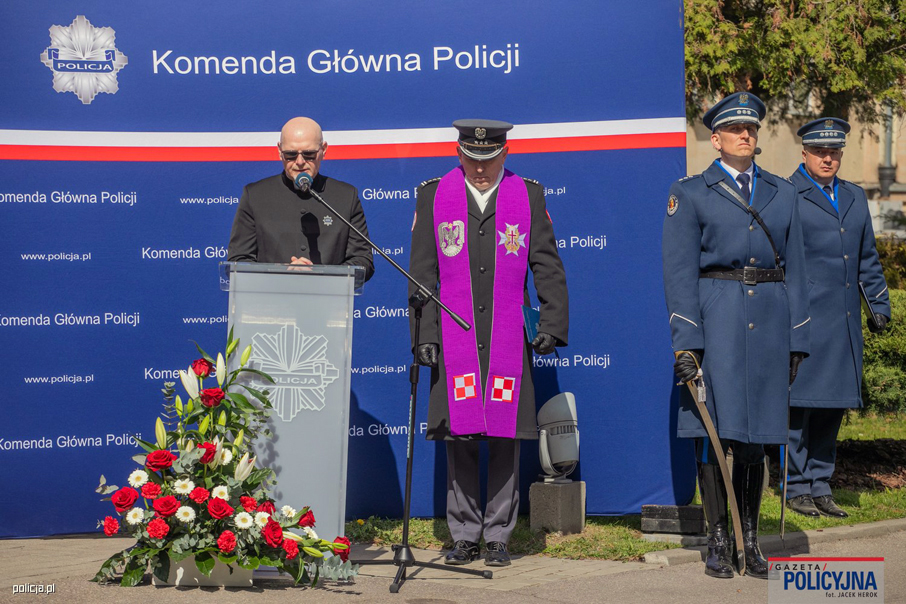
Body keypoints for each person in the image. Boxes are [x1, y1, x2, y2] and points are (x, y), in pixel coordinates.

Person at [662, 92, 810, 579]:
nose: (745, 134)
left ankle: (751, 539)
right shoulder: (690, 192)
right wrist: (687, 341)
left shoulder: (782, 193)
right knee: (713, 433)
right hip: (717, 320)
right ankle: (719, 539)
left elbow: (798, 269)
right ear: (716, 139)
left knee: (755, 438)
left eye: (751, 128)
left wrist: (798, 338)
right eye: (735, 129)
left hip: (769, 323)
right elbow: (679, 272)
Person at [408, 119, 568, 567]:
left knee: (504, 433)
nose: (480, 169)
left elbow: (547, 265)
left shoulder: (528, 196)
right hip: (454, 333)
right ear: (458, 153)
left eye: (489, 159)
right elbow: (421, 272)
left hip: (506, 334)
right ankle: (464, 534)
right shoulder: (434, 195)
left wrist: (551, 322)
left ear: (505, 153)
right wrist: (424, 335)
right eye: (472, 158)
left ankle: (498, 534)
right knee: (459, 434)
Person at [785, 118, 891, 518]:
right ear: (804, 153)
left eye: (834, 152)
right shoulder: (787, 193)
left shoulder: (854, 196)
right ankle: (796, 486)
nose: (827, 159)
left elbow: (867, 257)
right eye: (820, 152)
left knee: (832, 407)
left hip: (843, 323)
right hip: (805, 321)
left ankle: (820, 483)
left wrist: (878, 305)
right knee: (799, 408)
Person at [227, 117, 374, 281]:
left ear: (323, 150)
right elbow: (238, 261)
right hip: (271, 296)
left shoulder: (346, 196)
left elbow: (363, 261)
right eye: (290, 155)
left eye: (309, 154)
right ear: (279, 151)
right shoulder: (255, 195)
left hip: (327, 295)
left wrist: (322, 276)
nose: (300, 162)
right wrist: (280, 273)